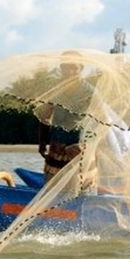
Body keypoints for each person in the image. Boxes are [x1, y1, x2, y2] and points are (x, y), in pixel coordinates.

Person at [38, 51, 87, 183]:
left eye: (74, 68)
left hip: (78, 149)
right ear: (61, 68)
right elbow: (44, 117)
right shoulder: (56, 90)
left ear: (81, 68)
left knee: (75, 187)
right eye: (66, 67)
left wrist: (84, 145)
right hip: (56, 147)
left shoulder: (89, 92)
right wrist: (42, 142)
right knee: (50, 187)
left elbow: (100, 122)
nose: (70, 72)